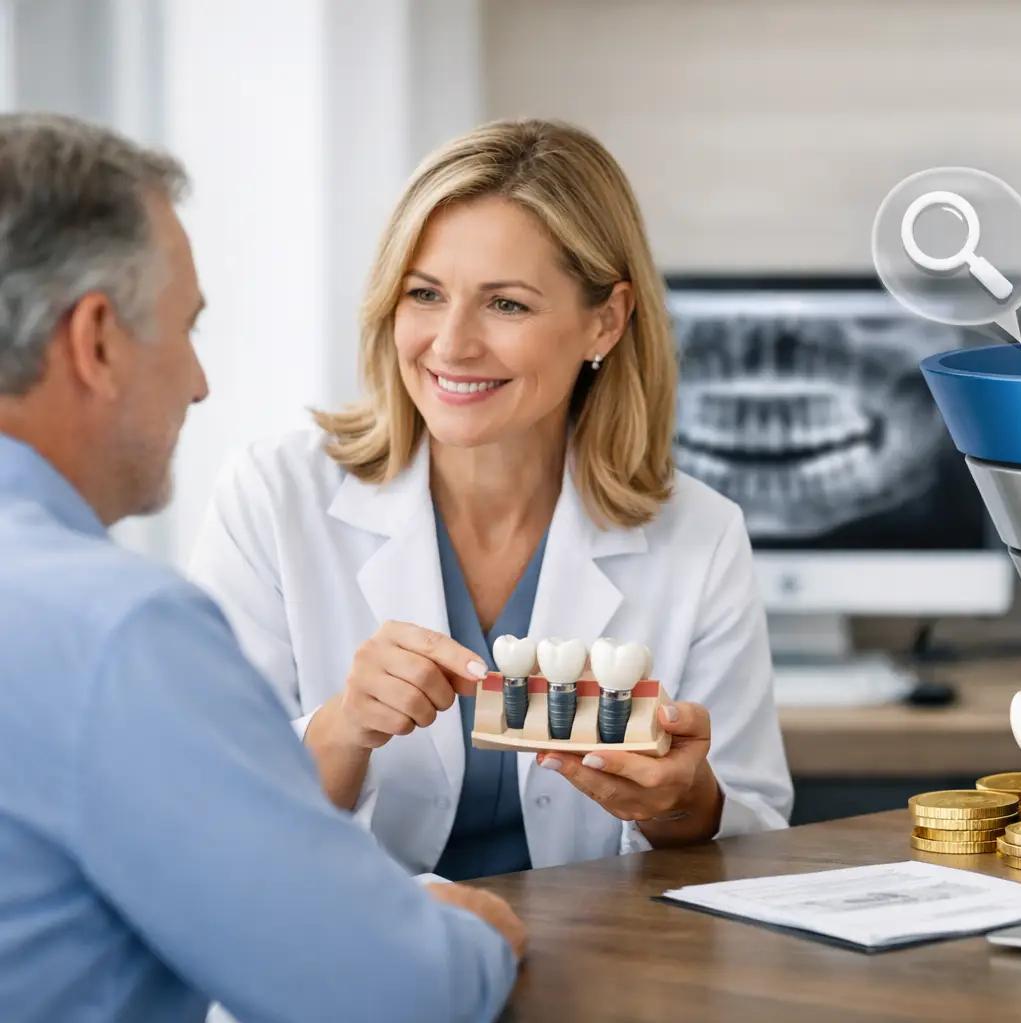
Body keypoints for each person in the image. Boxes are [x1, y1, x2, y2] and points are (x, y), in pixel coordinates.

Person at [0, 113, 522, 1022]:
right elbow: (388, 992)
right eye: (185, 328)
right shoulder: (115, 632)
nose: (200, 382)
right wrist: (469, 931)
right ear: (95, 341)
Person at [189, 119, 793, 879]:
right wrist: (343, 729)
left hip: (598, 975)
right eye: (425, 294)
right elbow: (203, 820)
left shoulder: (698, 534)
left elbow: (758, 831)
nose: (451, 344)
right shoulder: (274, 500)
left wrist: (681, 802)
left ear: (605, 320)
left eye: (506, 305)